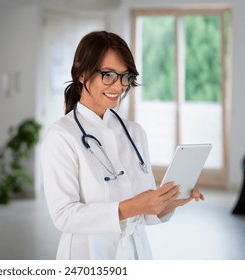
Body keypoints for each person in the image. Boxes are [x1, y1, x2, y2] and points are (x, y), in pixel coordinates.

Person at [40, 31, 204, 260]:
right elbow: (64, 216)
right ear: (82, 72)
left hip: (137, 254)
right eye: (108, 75)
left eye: (125, 76)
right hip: (88, 255)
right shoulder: (61, 135)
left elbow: (145, 213)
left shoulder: (135, 133)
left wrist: (170, 202)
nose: (119, 86)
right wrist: (132, 207)